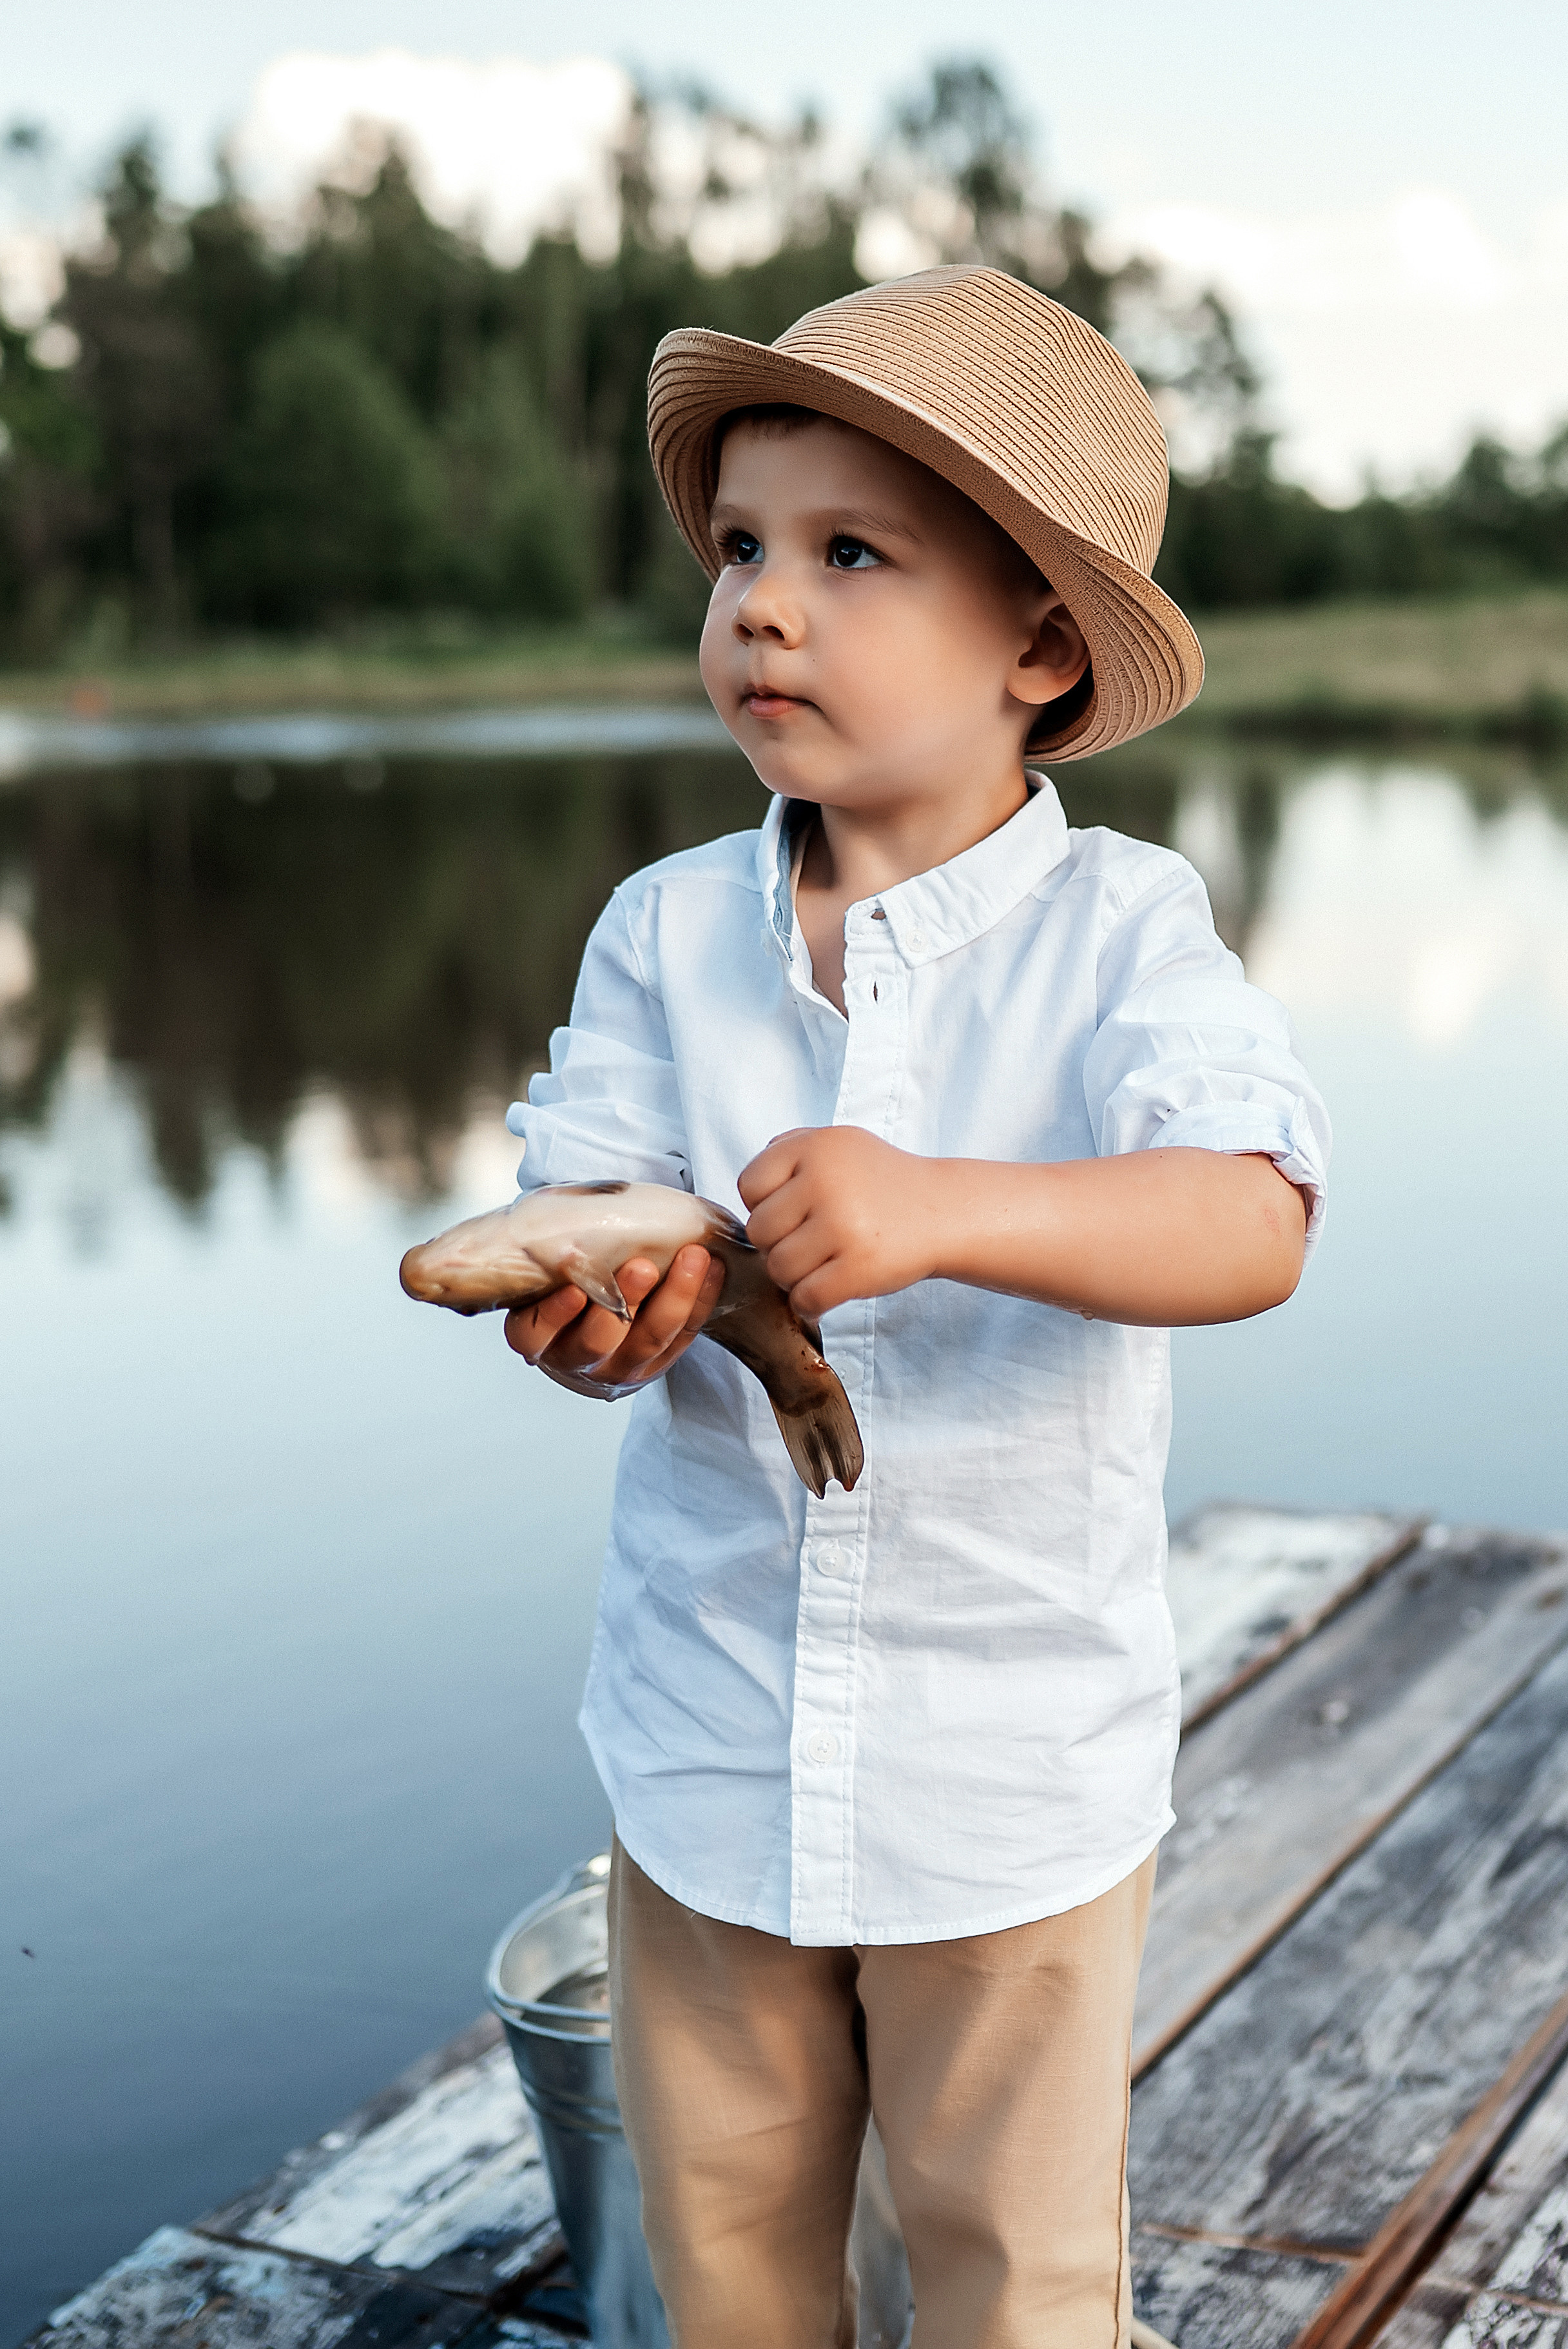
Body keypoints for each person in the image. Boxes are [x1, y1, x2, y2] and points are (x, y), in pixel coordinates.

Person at [504, 265, 1330, 2347]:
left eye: (848, 555)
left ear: (1038, 645)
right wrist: (608, 1302)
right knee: (733, 2253)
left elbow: (1250, 1219)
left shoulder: (1122, 931)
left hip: (1004, 1769)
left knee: (1010, 2276)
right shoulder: (665, 929)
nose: (762, 605)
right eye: (742, 550)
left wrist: (947, 1205)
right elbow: (581, 1203)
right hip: (707, 1751)